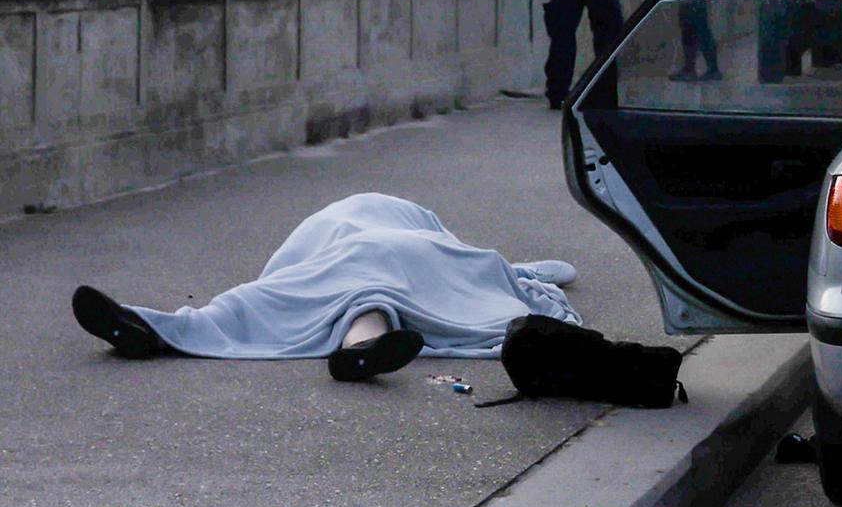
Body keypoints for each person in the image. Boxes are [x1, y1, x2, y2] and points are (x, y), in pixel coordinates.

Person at [69, 193, 583, 382]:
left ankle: (152, 324)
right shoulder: (428, 235)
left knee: (256, 303)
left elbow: (281, 269)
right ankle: (361, 348)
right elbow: (546, 270)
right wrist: (525, 279)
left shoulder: (338, 221)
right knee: (371, 300)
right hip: (399, 259)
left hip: (330, 256)